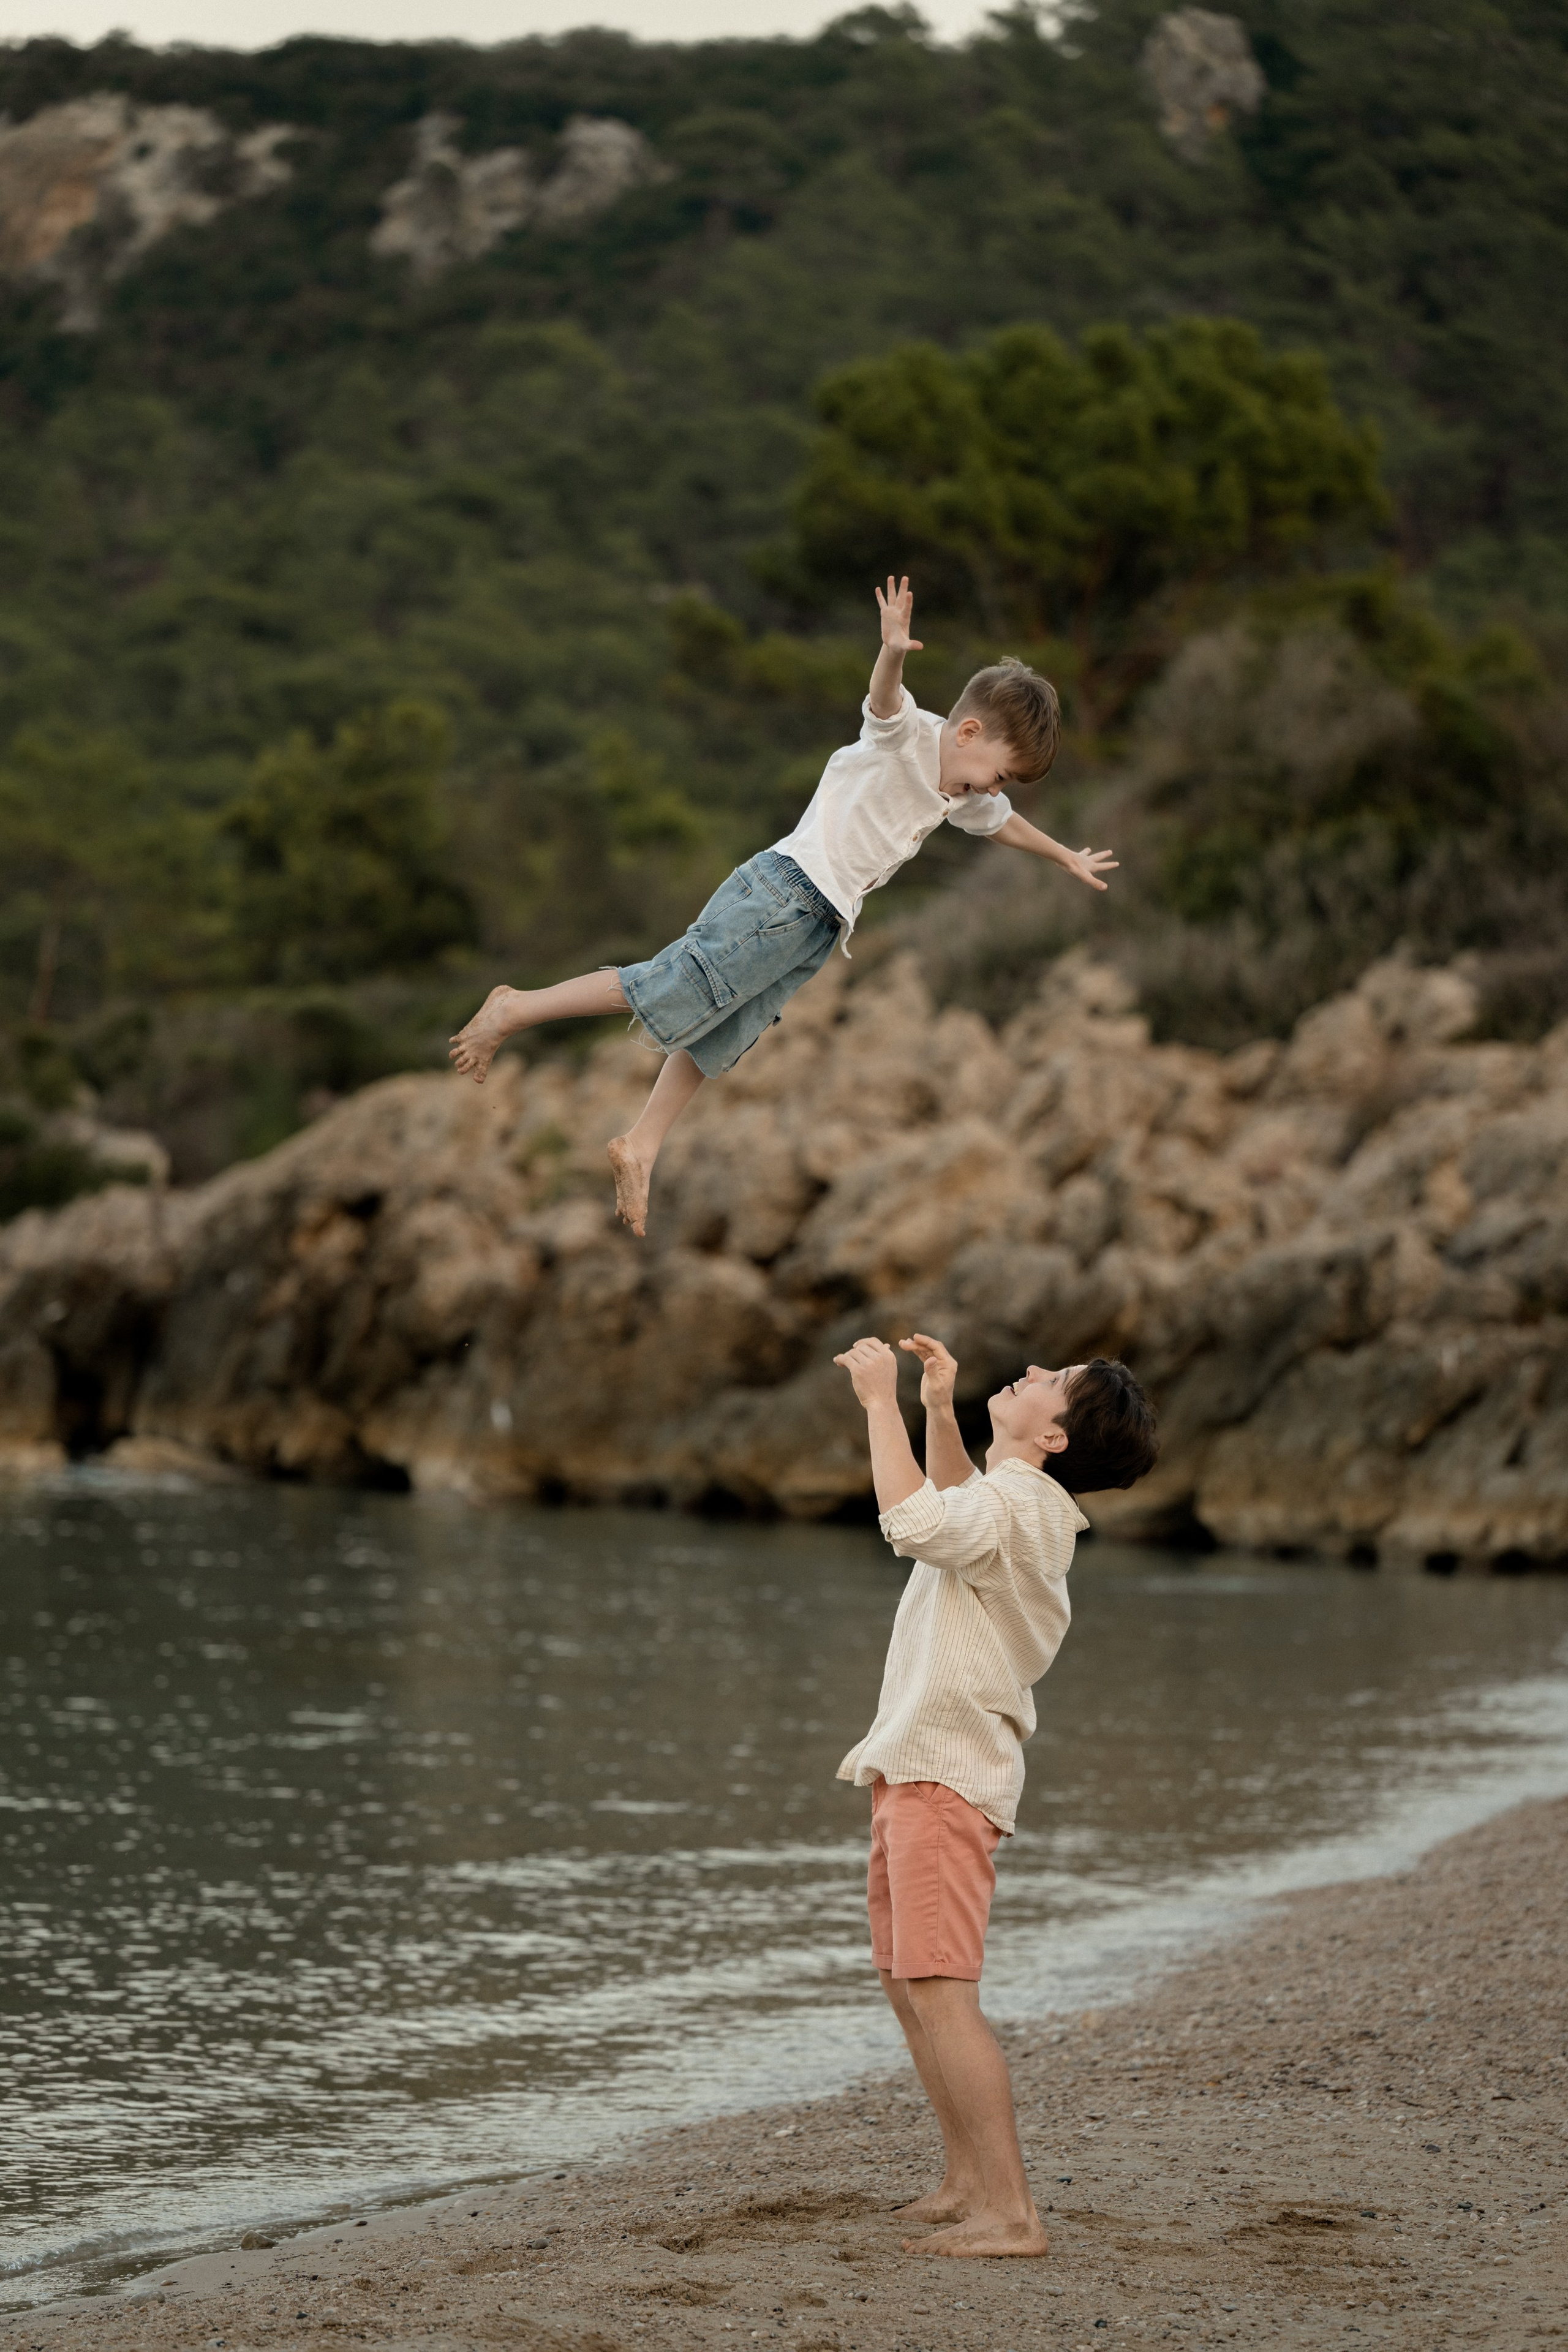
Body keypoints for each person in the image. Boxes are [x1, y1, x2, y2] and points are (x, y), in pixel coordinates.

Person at [448, 578, 1116, 1235]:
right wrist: (889, 651)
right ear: (967, 731)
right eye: (997, 773)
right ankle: (516, 1008)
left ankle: (642, 1143)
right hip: (783, 892)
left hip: (817, 928)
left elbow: (1002, 822)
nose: (992, 790)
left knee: (724, 1032)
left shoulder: (964, 795)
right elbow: (884, 701)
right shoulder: (906, 736)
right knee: (673, 981)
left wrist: (1064, 856)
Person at [831, 1329, 1158, 2258]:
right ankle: (964, 2182)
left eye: (1053, 1381)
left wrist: (879, 1405)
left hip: (946, 1777)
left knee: (941, 1988)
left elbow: (914, 1524)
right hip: (920, 1766)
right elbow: (955, 1504)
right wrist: (938, 1410)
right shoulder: (1013, 1501)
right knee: (909, 1983)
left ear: (1055, 1436)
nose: (1032, 1372)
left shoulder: (1028, 1507)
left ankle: (1010, 2212)